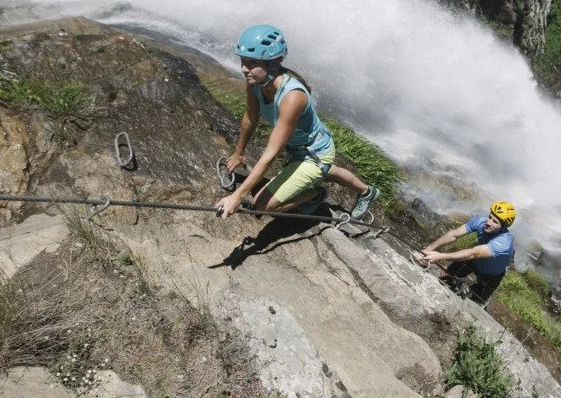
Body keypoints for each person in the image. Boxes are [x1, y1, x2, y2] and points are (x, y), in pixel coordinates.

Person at [214, 24, 379, 221]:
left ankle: (316, 194)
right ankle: (367, 191)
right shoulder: (256, 82)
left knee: (262, 205)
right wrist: (239, 153)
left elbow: (271, 153)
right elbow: (251, 116)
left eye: (251, 63)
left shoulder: (293, 97)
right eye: (242, 61)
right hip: (307, 148)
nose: (243, 69)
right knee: (324, 171)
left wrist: (237, 197)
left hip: (314, 154)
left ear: (273, 64)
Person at [412, 201, 516, 305]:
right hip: (473, 261)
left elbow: (475, 253)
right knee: (445, 279)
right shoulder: (480, 221)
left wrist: (440, 256)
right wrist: (426, 250)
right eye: (490, 217)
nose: (489, 222)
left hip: (490, 275)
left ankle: (477, 295)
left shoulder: (504, 243)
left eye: (495, 221)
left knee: (476, 301)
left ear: (503, 227)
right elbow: (453, 235)